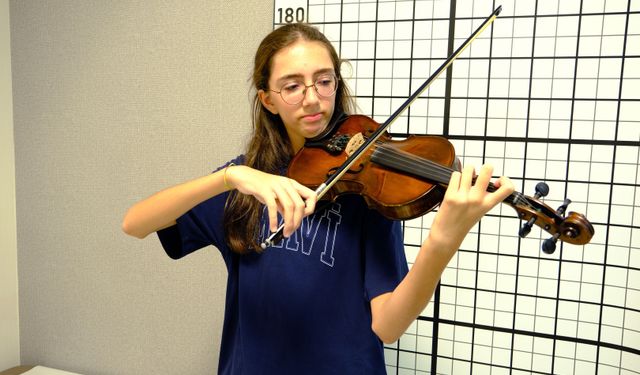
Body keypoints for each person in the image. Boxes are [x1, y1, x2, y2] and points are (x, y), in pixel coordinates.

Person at [122, 23, 514, 374]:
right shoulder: (249, 184)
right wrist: (230, 177)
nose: (312, 98)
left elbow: (388, 326)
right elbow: (136, 223)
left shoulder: (370, 185)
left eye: (324, 81)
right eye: (292, 86)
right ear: (268, 99)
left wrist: (443, 240)